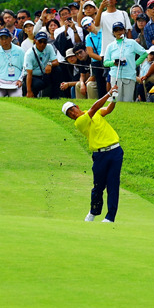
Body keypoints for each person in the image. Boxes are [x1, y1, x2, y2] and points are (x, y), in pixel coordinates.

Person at [64, 89, 122, 223]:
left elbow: (107, 110)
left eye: (72, 110)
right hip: (100, 155)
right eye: (69, 114)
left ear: (77, 107)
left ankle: (110, 217)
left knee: (113, 185)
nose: (72, 114)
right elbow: (94, 107)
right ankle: (93, 211)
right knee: (98, 186)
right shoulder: (79, 122)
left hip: (115, 151)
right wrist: (108, 93)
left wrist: (114, 99)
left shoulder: (94, 113)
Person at [0, 29, 25, 97]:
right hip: (0, 82)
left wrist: (20, 80)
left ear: (10, 38)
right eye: (2, 39)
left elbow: (24, 67)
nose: (4, 41)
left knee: (17, 98)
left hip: (15, 82)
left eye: (6, 38)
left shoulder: (20, 51)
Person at [24, 31, 60, 98]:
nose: (42, 44)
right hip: (32, 76)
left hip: (44, 73)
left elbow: (56, 62)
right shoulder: (29, 54)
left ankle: (55, 96)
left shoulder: (49, 47)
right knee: (38, 84)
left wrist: (50, 64)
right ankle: (32, 94)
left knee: (57, 70)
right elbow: (29, 73)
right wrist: (29, 91)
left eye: (44, 42)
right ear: (35, 41)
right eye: (40, 41)